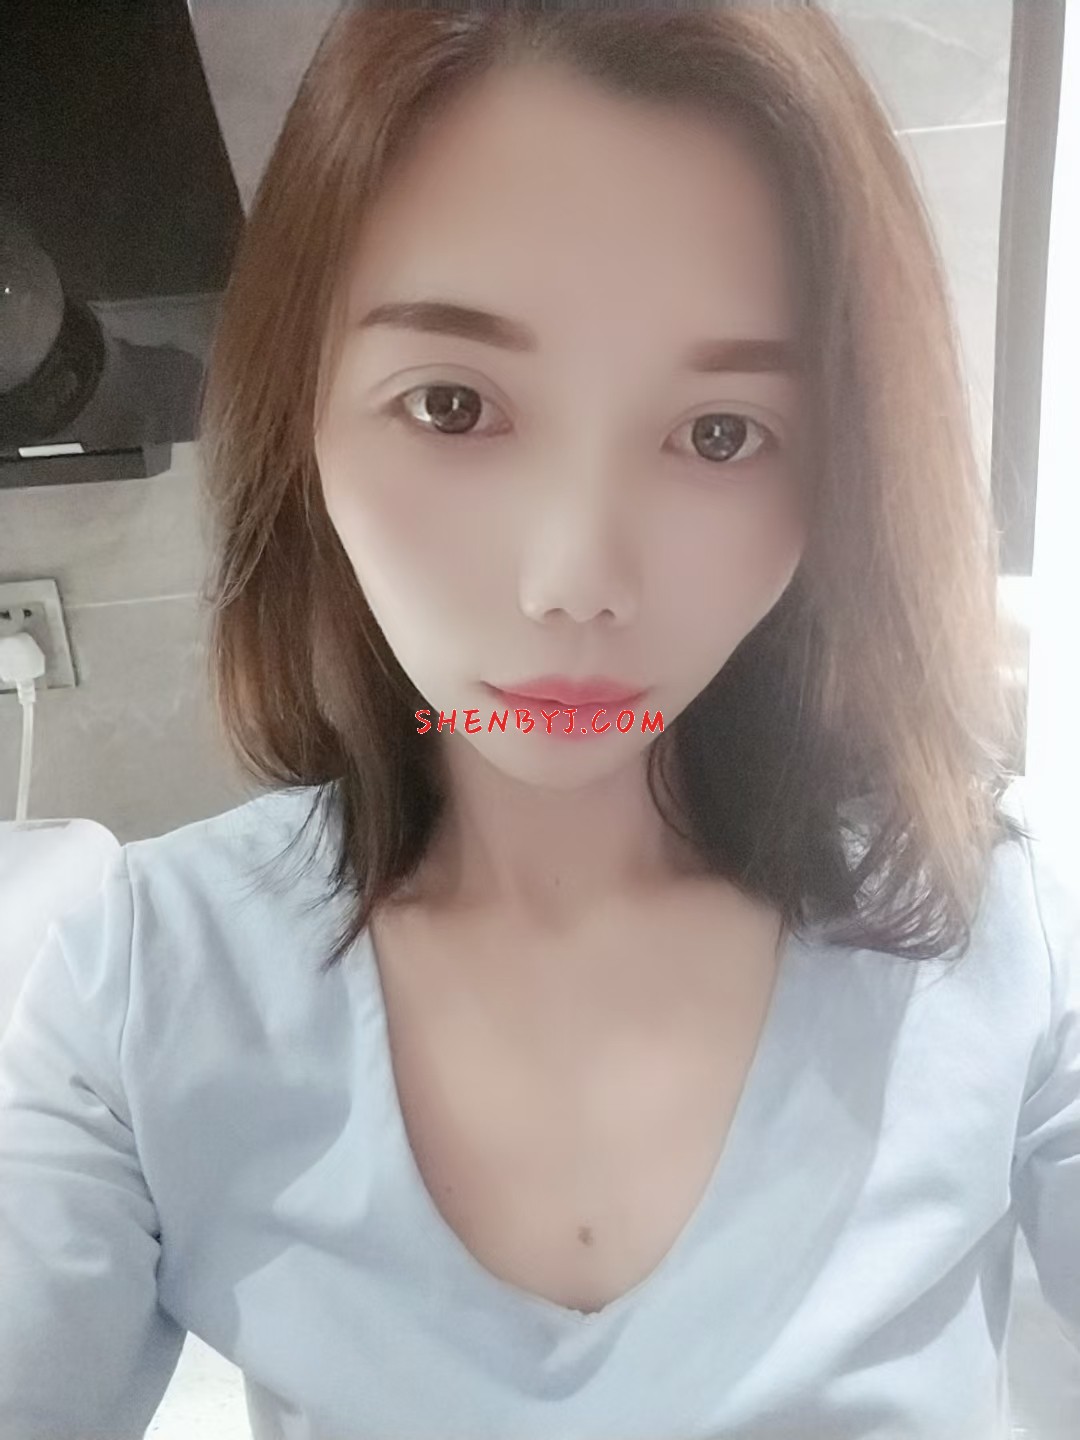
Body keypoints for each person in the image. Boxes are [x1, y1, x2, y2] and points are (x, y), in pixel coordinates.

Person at [2, 4, 1077, 1438]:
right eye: (454, 405)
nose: (575, 580)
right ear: (301, 417)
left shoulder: (987, 927)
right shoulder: (144, 986)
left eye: (719, 432)